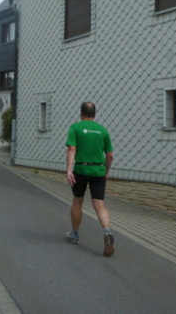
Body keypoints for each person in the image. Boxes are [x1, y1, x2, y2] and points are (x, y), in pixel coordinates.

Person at [65, 102, 115, 256]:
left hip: (81, 169)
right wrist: (106, 172)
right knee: (99, 205)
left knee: (77, 201)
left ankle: (74, 234)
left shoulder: (75, 128)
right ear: (94, 115)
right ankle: (107, 231)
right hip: (98, 170)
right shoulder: (103, 130)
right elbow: (110, 155)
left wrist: (69, 170)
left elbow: (72, 148)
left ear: (81, 113)